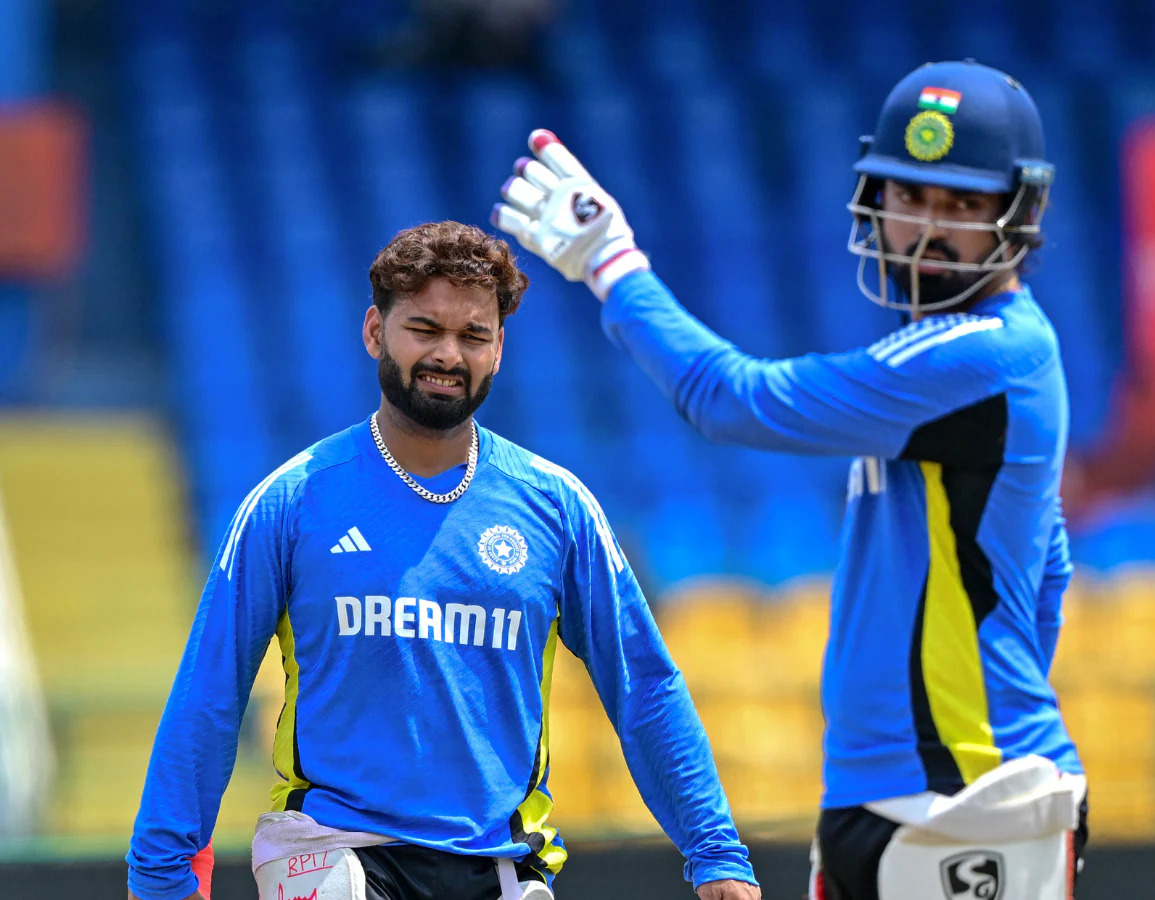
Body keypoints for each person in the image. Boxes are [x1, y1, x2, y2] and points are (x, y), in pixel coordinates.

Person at [492, 60, 1088, 900]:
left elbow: (733, 400)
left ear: (1020, 214)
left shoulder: (984, 352)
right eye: (909, 196)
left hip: (965, 794)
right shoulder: (966, 361)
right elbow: (1048, 572)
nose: (925, 227)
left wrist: (610, 261)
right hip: (894, 791)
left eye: (961, 204)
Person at [126, 221, 761, 900]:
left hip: (500, 861)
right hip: (331, 848)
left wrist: (717, 853)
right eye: (424, 329)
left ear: (499, 349)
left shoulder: (557, 507)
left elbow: (645, 687)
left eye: (473, 335)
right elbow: (210, 696)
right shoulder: (291, 501)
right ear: (375, 332)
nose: (448, 355)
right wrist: (161, 874)